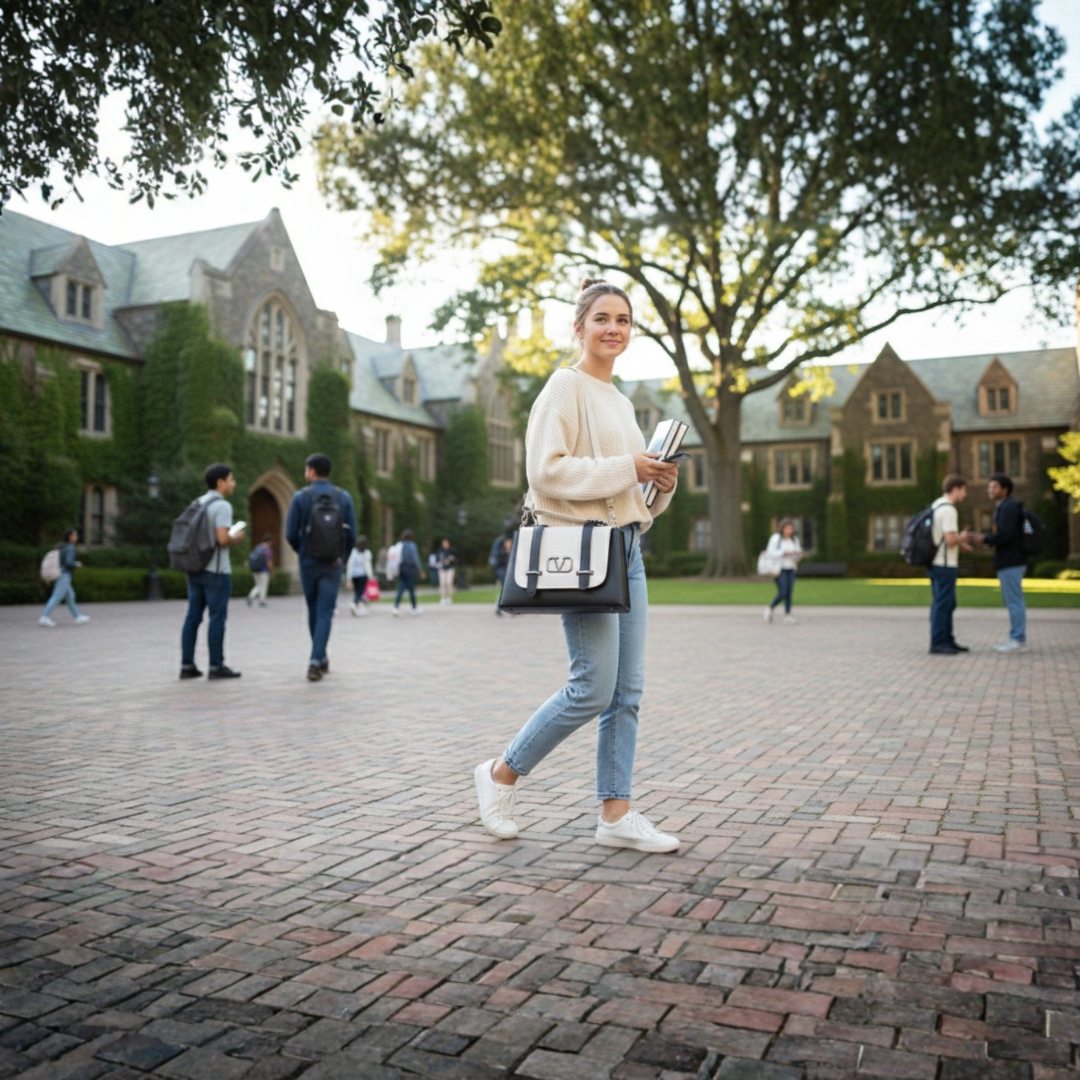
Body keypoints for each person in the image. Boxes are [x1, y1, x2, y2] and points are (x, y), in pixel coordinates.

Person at [474, 278, 681, 853]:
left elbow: (630, 495)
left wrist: (659, 483)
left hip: (627, 549)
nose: (614, 329)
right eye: (602, 318)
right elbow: (546, 472)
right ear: (580, 327)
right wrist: (630, 467)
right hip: (585, 554)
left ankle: (616, 814)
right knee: (592, 686)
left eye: (623, 320)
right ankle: (500, 774)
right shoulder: (564, 386)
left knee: (627, 691)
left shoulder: (621, 401)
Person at [286, 453, 358, 681]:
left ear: (312, 471)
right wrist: (341, 557)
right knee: (325, 611)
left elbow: (290, 534)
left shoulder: (301, 497)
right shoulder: (343, 497)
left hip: (308, 562)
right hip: (332, 564)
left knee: (314, 610)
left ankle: (317, 658)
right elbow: (352, 535)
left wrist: (303, 552)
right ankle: (318, 658)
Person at [180, 463, 244, 679]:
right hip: (216, 570)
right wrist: (236, 537)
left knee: (192, 617)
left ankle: (187, 665)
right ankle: (216, 666)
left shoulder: (197, 502)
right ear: (220, 482)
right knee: (217, 618)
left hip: (194, 567)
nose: (233, 483)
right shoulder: (222, 506)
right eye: (231, 479)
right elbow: (222, 539)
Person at [973, 473, 1028, 653]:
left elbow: (1005, 536)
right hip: (1009, 561)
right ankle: (1016, 638)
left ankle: (1018, 639)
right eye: (989, 486)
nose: (990, 490)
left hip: (1011, 561)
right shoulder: (1004, 507)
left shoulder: (1008, 507)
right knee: (1012, 600)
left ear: (1005, 490)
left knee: (1014, 601)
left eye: (994, 487)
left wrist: (985, 539)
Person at [926, 474, 973, 655]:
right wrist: (963, 538)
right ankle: (938, 642)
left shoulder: (936, 505)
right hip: (944, 564)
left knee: (945, 603)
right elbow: (950, 540)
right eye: (963, 490)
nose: (965, 494)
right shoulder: (948, 510)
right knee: (943, 604)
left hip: (934, 562)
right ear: (955, 489)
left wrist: (959, 542)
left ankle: (947, 639)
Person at [39, 529, 90, 627]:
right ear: (70, 537)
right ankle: (44, 617)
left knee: (70, 596)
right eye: (75, 535)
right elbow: (68, 563)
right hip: (64, 575)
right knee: (56, 597)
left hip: (59, 573)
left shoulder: (60, 546)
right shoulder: (70, 547)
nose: (76, 537)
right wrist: (77, 564)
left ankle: (78, 617)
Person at [763, 518, 804, 624]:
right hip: (779, 569)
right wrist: (784, 552)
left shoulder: (794, 540)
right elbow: (770, 552)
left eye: (791, 528)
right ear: (782, 528)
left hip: (791, 568)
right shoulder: (776, 538)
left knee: (789, 592)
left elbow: (798, 552)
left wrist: (798, 555)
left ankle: (788, 615)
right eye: (787, 528)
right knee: (783, 592)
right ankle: (770, 607)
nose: (789, 530)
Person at [391, 528, 423, 615]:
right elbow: (415, 558)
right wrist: (420, 570)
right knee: (411, 589)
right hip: (410, 569)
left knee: (401, 589)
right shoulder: (412, 545)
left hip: (401, 568)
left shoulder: (399, 545)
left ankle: (396, 607)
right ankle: (414, 607)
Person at [347, 535, 374, 616]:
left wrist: (349, 577)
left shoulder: (353, 552)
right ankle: (354, 604)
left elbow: (350, 565)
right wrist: (371, 576)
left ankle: (358, 604)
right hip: (362, 575)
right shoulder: (367, 553)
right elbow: (368, 566)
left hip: (354, 575)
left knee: (357, 591)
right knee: (360, 591)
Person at [247, 534, 274, 607]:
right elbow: (268, 562)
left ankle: (251, 595)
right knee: (263, 586)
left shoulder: (258, 547)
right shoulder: (267, 550)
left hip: (255, 569)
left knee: (258, 585)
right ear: (269, 541)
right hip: (264, 570)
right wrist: (272, 572)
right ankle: (262, 601)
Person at [492, 534, 512, 615]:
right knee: (505, 588)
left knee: (505, 589)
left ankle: (501, 608)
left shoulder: (512, 551)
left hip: (507, 571)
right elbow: (497, 561)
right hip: (501, 569)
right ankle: (499, 607)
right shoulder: (500, 551)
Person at [436, 538, 457, 605]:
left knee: (449, 582)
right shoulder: (440, 550)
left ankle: (449, 597)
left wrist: (451, 559)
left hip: (450, 568)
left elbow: (455, 559)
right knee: (442, 583)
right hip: (442, 569)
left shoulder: (452, 550)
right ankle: (443, 597)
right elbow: (437, 559)